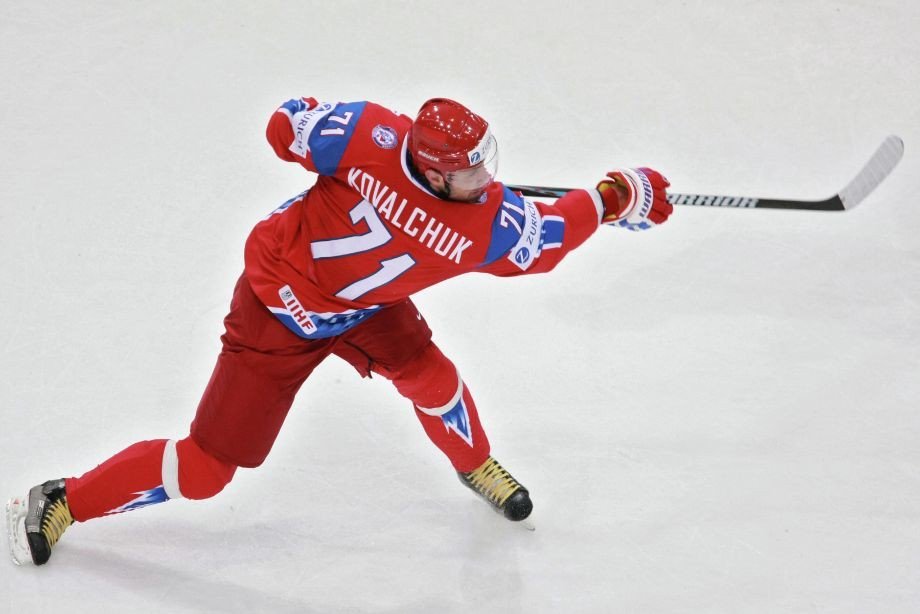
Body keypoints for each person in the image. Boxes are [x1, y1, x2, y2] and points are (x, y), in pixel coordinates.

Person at [6, 96, 672, 566]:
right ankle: (63, 500)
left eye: (485, 161)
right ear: (433, 170)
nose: (486, 177)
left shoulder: (367, 132)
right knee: (206, 470)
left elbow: (283, 128)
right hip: (277, 311)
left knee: (433, 378)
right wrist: (615, 196)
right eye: (471, 169)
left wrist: (312, 125)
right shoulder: (485, 228)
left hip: (363, 306)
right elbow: (550, 238)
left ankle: (476, 467)